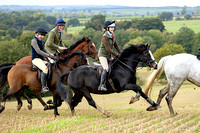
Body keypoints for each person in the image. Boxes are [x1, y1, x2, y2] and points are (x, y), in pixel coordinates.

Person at [31, 27, 57, 93]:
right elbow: (38, 51)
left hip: (41, 59)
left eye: (43, 35)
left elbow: (44, 50)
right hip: (36, 59)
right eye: (41, 35)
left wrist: (51, 55)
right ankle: (44, 87)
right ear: (36, 34)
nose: (42, 36)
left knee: (52, 65)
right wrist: (48, 55)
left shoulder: (41, 41)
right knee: (45, 69)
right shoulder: (34, 41)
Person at [98, 20, 122, 91]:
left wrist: (121, 53)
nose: (113, 29)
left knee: (115, 65)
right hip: (103, 55)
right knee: (106, 68)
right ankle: (101, 85)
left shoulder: (113, 35)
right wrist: (116, 54)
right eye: (111, 27)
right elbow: (108, 49)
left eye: (113, 27)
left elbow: (116, 45)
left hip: (108, 55)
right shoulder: (105, 36)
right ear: (107, 28)